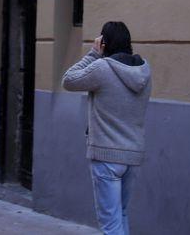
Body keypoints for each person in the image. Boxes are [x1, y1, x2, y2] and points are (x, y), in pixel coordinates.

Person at [62, 21, 151, 235]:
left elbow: (68, 80)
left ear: (104, 43)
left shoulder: (102, 68)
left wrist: (93, 54)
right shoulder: (145, 71)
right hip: (132, 155)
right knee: (121, 214)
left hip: (106, 155)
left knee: (110, 225)